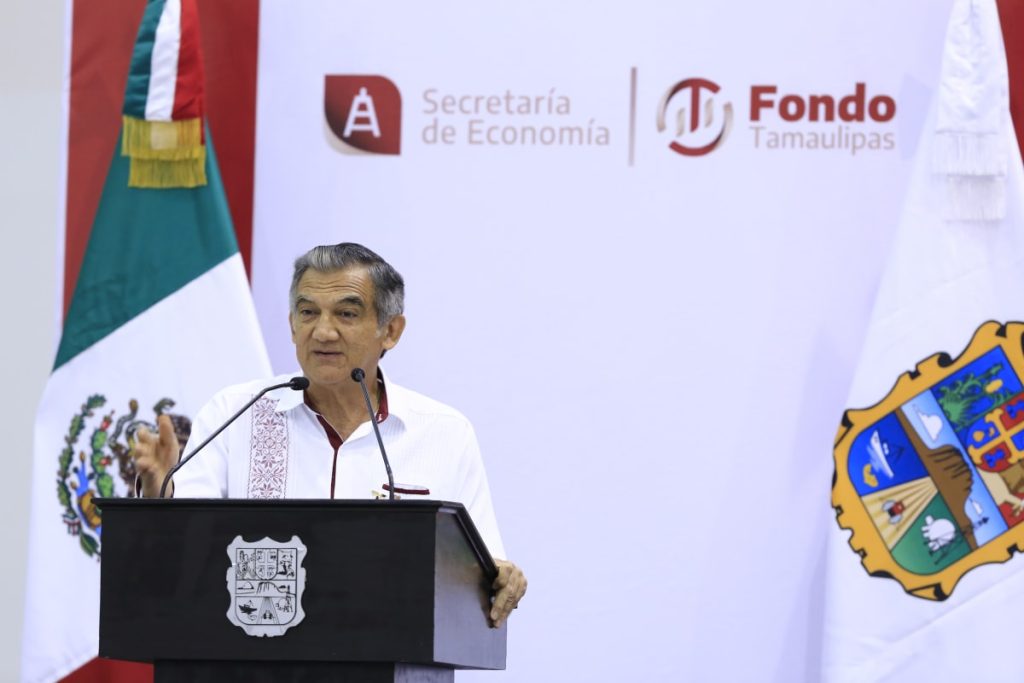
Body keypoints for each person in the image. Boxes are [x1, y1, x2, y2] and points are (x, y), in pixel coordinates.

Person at [133, 242, 526, 627]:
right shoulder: (235, 413)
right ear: (292, 324)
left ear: (390, 331)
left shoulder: (443, 433)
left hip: (391, 647)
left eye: (346, 314)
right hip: (251, 648)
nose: (322, 332)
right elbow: (182, 549)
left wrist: (502, 577)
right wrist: (158, 495)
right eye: (308, 312)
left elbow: (483, 570)